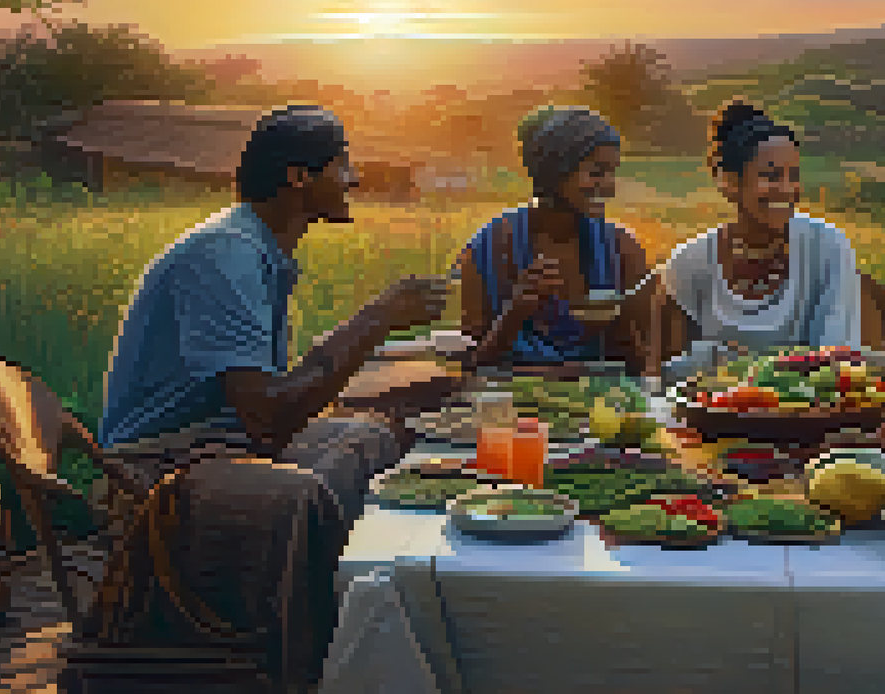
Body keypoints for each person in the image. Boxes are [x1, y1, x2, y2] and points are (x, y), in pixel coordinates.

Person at [84, 105, 451, 691]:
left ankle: (353, 615)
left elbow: (270, 403)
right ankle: (302, 655)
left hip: (215, 437)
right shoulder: (225, 255)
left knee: (370, 434)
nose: (355, 179)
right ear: (298, 178)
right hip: (160, 465)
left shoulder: (255, 248)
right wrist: (378, 319)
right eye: (343, 165)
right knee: (306, 486)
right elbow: (267, 419)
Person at [647, 100, 885, 381]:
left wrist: (727, 363)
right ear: (730, 182)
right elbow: (663, 375)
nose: (786, 189)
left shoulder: (825, 245)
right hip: (717, 415)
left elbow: (835, 354)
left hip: (813, 412)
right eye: (770, 176)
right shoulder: (689, 264)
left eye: (793, 176)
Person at [457, 106, 649, 370]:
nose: (609, 186)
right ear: (554, 171)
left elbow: (641, 366)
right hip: (509, 401)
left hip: (600, 404)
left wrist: (621, 322)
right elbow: (473, 366)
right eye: (596, 172)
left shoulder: (622, 249)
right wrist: (516, 311)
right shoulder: (490, 249)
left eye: (612, 173)